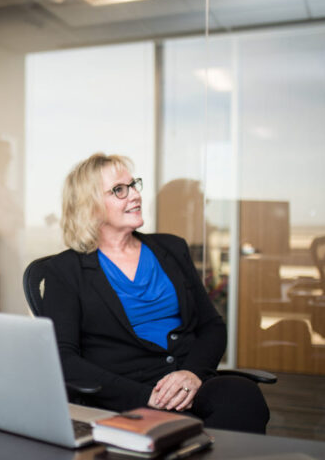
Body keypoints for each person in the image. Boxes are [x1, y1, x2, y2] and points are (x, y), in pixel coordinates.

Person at [42, 153, 269, 433]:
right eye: (119, 190)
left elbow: (212, 326)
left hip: (187, 384)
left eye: (133, 185)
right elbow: (63, 358)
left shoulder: (172, 249)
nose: (135, 195)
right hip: (125, 396)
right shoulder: (64, 270)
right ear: (89, 206)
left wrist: (192, 373)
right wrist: (145, 397)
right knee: (168, 434)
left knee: (241, 396)